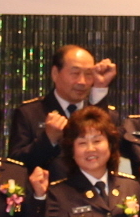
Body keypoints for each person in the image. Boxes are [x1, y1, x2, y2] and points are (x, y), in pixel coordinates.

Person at [8, 44, 120, 174]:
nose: (82, 82)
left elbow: (113, 157)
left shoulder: (106, 113)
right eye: (75, 73)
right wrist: (48, 140)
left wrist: (100, 87)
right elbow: (15, 165)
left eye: (88, 74)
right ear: (55, 73)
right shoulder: (29, 112)